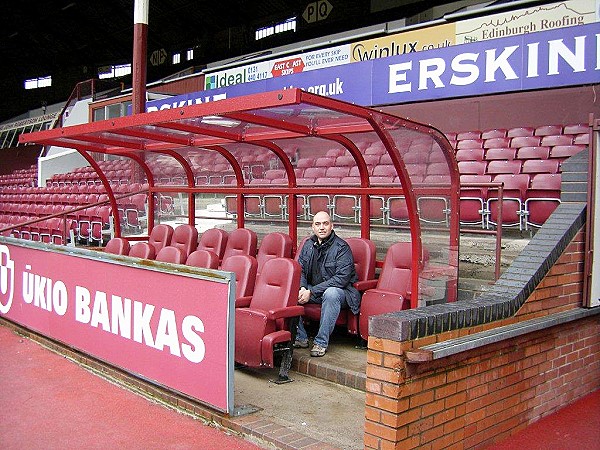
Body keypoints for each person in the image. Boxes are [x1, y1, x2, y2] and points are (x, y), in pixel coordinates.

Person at [295, 211, 360, 357]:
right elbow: (301, 271)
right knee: (291, 292)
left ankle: (321, 342)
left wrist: (311, 292)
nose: (322, 227)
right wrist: (303, 288)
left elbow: (341, 279)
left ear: (332, 226)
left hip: (343, 293)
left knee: (331, 293)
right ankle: (300, 337)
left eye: (325, 223)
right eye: (318, 224)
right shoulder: (308, 245)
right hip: (315, 291)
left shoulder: (342, 248)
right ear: (313, 227)